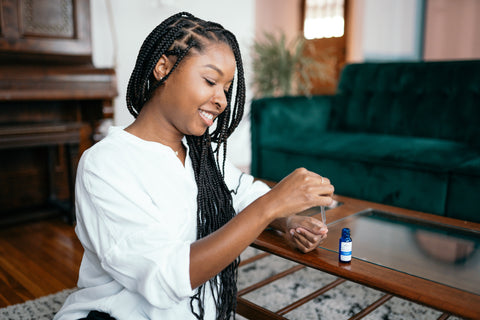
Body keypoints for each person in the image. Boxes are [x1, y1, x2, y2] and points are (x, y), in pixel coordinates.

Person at [53, 12, 334, 320]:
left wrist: (289, 220)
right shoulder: (106, 164)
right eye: (210, 81)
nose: (223, 100)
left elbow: (244, 194)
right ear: (163, 68)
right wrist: (271, 205)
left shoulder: (200, 155)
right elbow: (163, 279)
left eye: (226, 88)